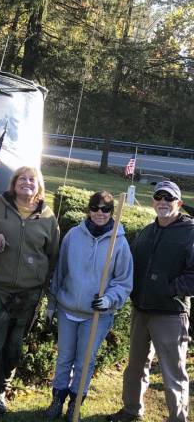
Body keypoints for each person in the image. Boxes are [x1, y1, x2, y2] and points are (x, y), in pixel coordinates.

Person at [0, 166, 59, 415]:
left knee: (13, 348)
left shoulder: (49, 218)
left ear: (39, 185)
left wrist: (46, 293)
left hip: (29, 295)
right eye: (22, 179)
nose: (27, 183)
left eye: (32, 179)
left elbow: (52, 257)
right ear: (14, 183)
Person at [107, 181, 194, 422]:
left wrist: (170, 289)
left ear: (179, 203)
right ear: (153, 201)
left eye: (169, 198)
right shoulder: (146, 232)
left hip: (170, 314)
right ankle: (131, 409)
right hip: (141, 310)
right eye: (159, 197)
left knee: (172, 371)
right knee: (135, 366)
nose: (163, 202)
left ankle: (178, 418)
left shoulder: (190, 233)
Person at [44, 191, 133, 421]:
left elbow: (124, 281)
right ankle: (57, 398)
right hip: (68, 309)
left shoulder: (119, 243)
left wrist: (109, 299)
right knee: (64, 357)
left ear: (112, 212)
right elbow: (60, 271)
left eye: (105, 209)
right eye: (95, 208)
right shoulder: (73, 235)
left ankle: (76, 401)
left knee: (85, 359)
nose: (99, 213)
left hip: (97, 315)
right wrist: (52, 304)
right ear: (88, 209)